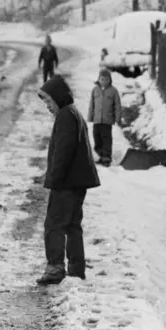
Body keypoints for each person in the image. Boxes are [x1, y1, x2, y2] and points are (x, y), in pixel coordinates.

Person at [36, 75, 100, 285]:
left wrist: (53, 178)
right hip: (77, 181)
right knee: (72, 225)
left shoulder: (65, 116)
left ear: (58, 97)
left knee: (54, 224)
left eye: (49, 101)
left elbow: (63, 152)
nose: (47, 106)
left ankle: (55, 268)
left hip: (66, 182)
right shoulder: (73, 113)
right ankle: (76, 268)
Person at [88, 68, 122, 167]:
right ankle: (99, 155)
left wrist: (117, 118)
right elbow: (92, 104)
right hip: (97, 120)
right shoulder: (95, 90)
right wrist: (90, 117)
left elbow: (117, 106)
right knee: (97, 137)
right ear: (99, 79)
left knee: (106, 138)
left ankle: (106, 157)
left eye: (106, 79)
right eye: (102, 79)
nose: (104, 81)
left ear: (110, 80)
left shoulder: (113, 91)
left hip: (107, 120)